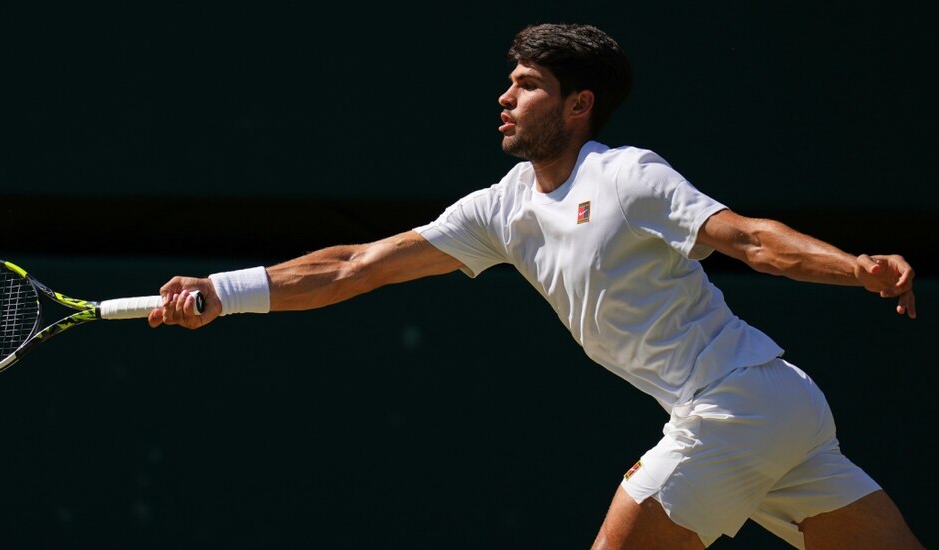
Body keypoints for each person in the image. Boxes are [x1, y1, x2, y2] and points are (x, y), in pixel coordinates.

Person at [148, 23, 922, 549]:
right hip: (778, 405)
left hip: (737, 402)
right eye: (508, 82)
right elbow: (356, 266)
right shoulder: (501, 208)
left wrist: (852, 267)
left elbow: (748, 238)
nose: (505, 97)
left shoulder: (628, 175)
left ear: (578, 105)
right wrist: (223, 288)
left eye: (526, 84)